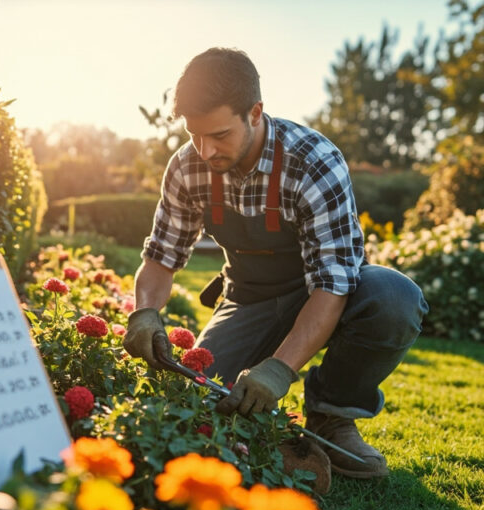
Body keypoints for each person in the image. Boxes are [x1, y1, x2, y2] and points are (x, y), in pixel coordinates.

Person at [123, 47, 428, 479]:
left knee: (394, 298)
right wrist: (146, 311)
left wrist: (280, 370)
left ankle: (332, 416)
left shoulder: (313, 162)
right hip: (248, 297)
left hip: (325, 296)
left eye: (220, 135)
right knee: (193, 405)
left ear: (255, 112)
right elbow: (161, 256)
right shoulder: (186, 167)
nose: (206, 150)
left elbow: (334, 284)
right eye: (195, 135)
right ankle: (268, 429)